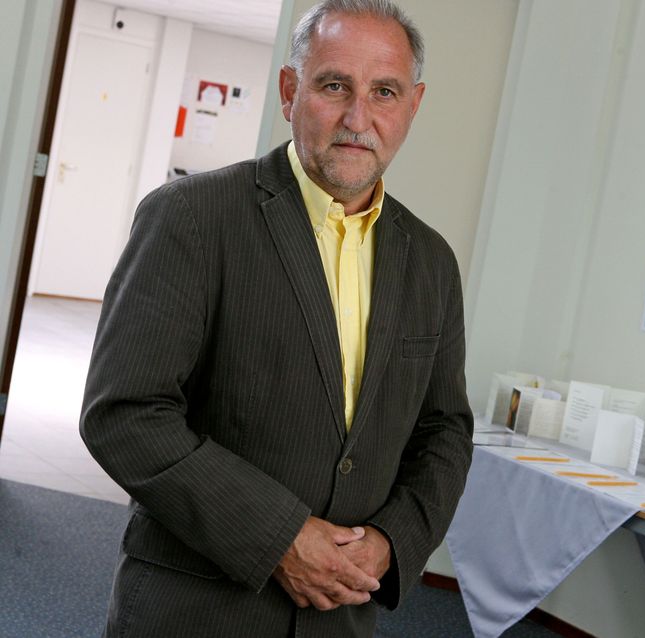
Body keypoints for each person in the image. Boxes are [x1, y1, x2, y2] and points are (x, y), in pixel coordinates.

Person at [79, 1, 473, 636]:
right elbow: (123, 413)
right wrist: (279, 537)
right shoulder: (192, 217)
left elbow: (445, 431)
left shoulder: (430, 261)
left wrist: (390, 544)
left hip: (342, 617)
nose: (358, 117)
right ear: (290, 89)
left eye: (384, 92)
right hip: (197, 609)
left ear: (414, 105)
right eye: (334, 84)